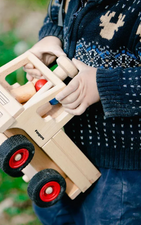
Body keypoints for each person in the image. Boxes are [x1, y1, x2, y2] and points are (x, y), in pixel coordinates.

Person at [23, 0, 141, 224]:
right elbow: (59, 11)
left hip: (121, 165)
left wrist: (101, 85)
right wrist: (51, 37)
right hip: (66, 141)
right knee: (55, 212)